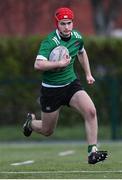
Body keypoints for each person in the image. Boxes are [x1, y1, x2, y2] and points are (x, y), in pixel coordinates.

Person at [23, 7, 108, 164]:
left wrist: (88, 74)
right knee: (47, 130)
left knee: (91, 111)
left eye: (69, 23)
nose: (67, 27)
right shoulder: (50, 41)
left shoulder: (77, 37)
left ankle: (92, 152)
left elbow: (81, 52)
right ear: (57, 24)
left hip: (71, 85)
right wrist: (59, 63)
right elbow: (38, 64)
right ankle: (30, 123)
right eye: (63, 24)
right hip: (51, 90)